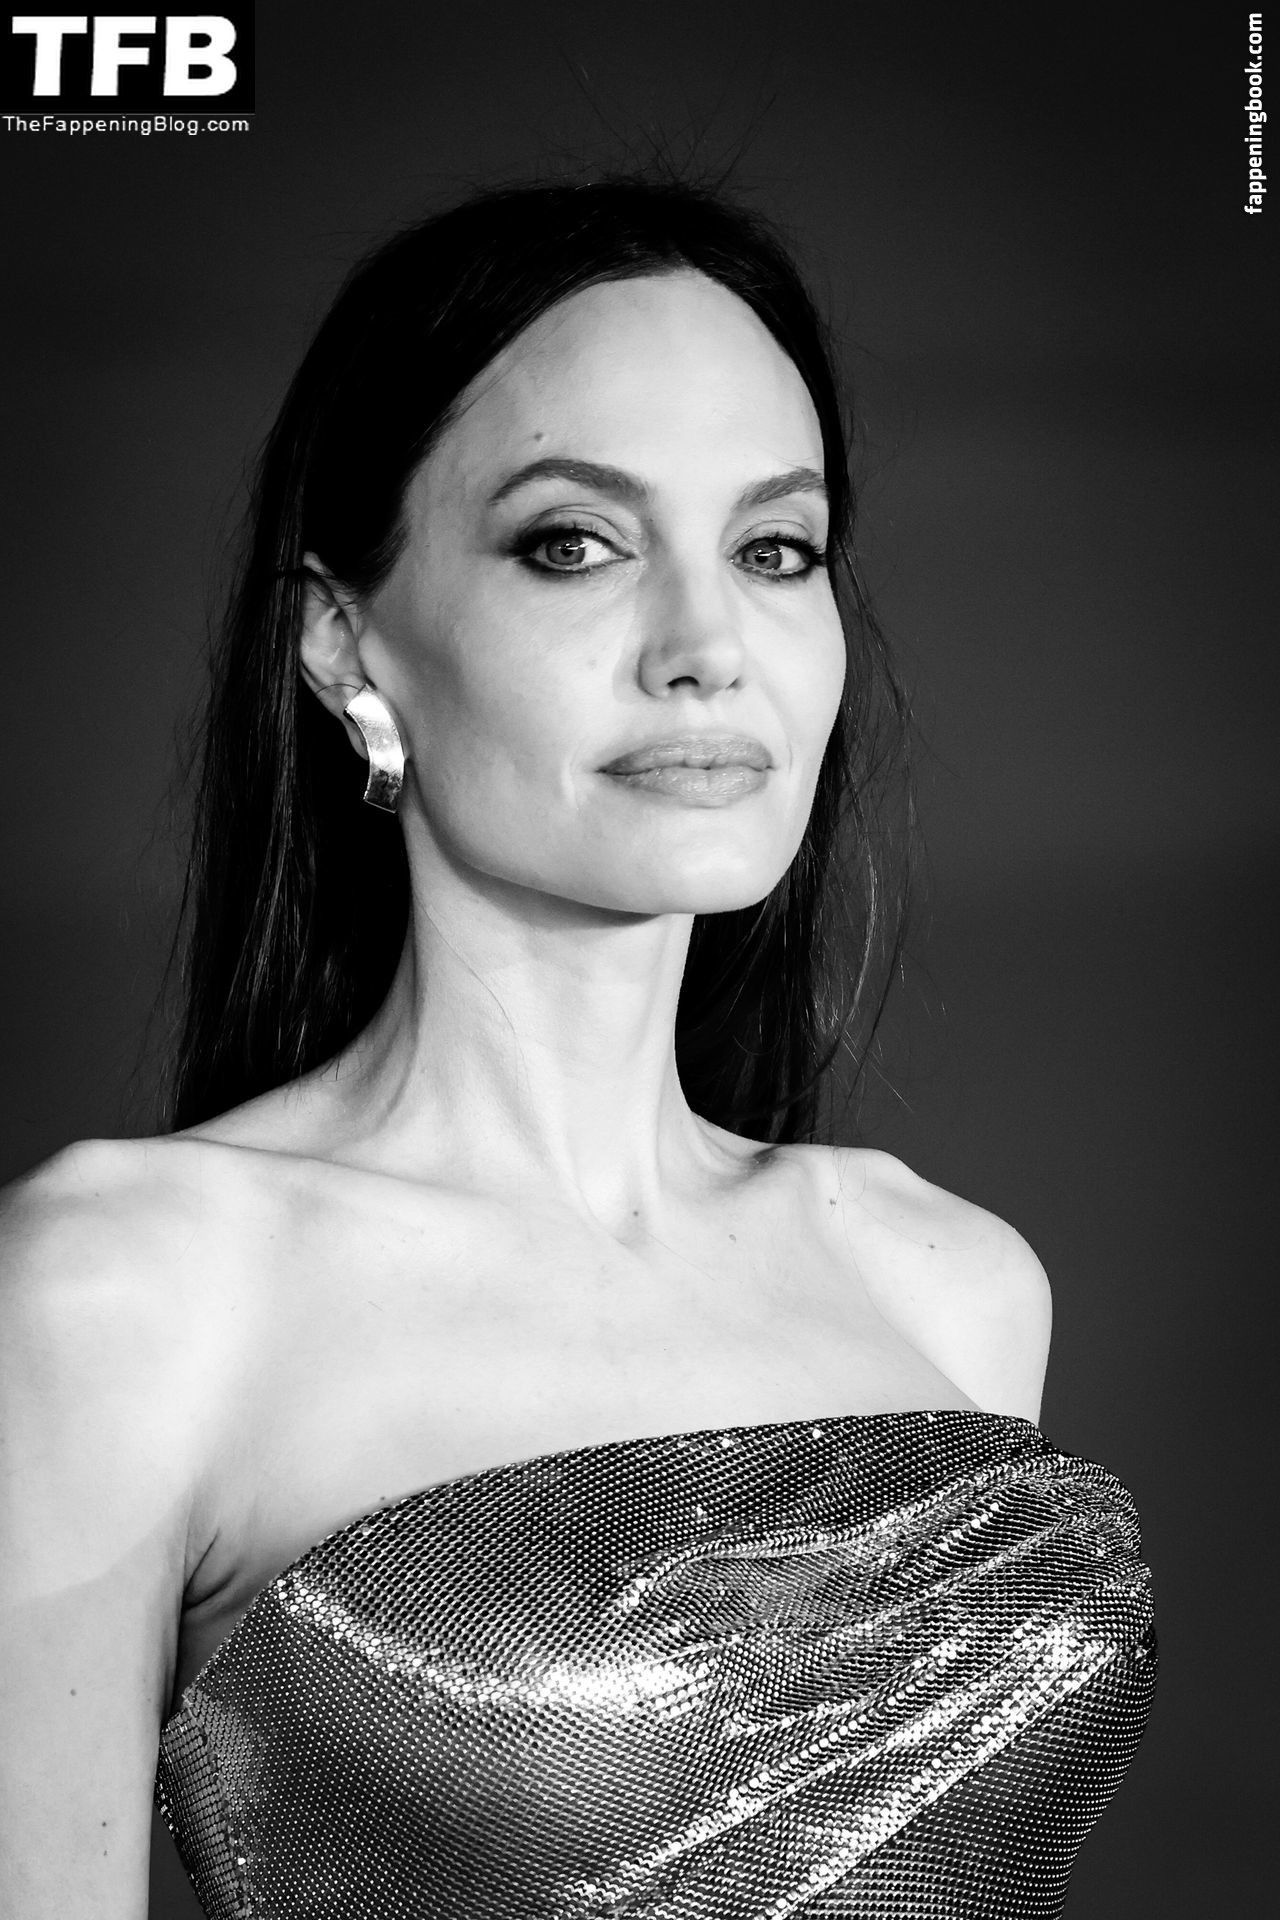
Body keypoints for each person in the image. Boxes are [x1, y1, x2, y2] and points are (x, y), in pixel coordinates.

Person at [0, 177, 1155, 1919]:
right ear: (345, 641)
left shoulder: (948, 1283)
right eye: (575, 544)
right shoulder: (125, 1297)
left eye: (775, 551)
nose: (706, 650)